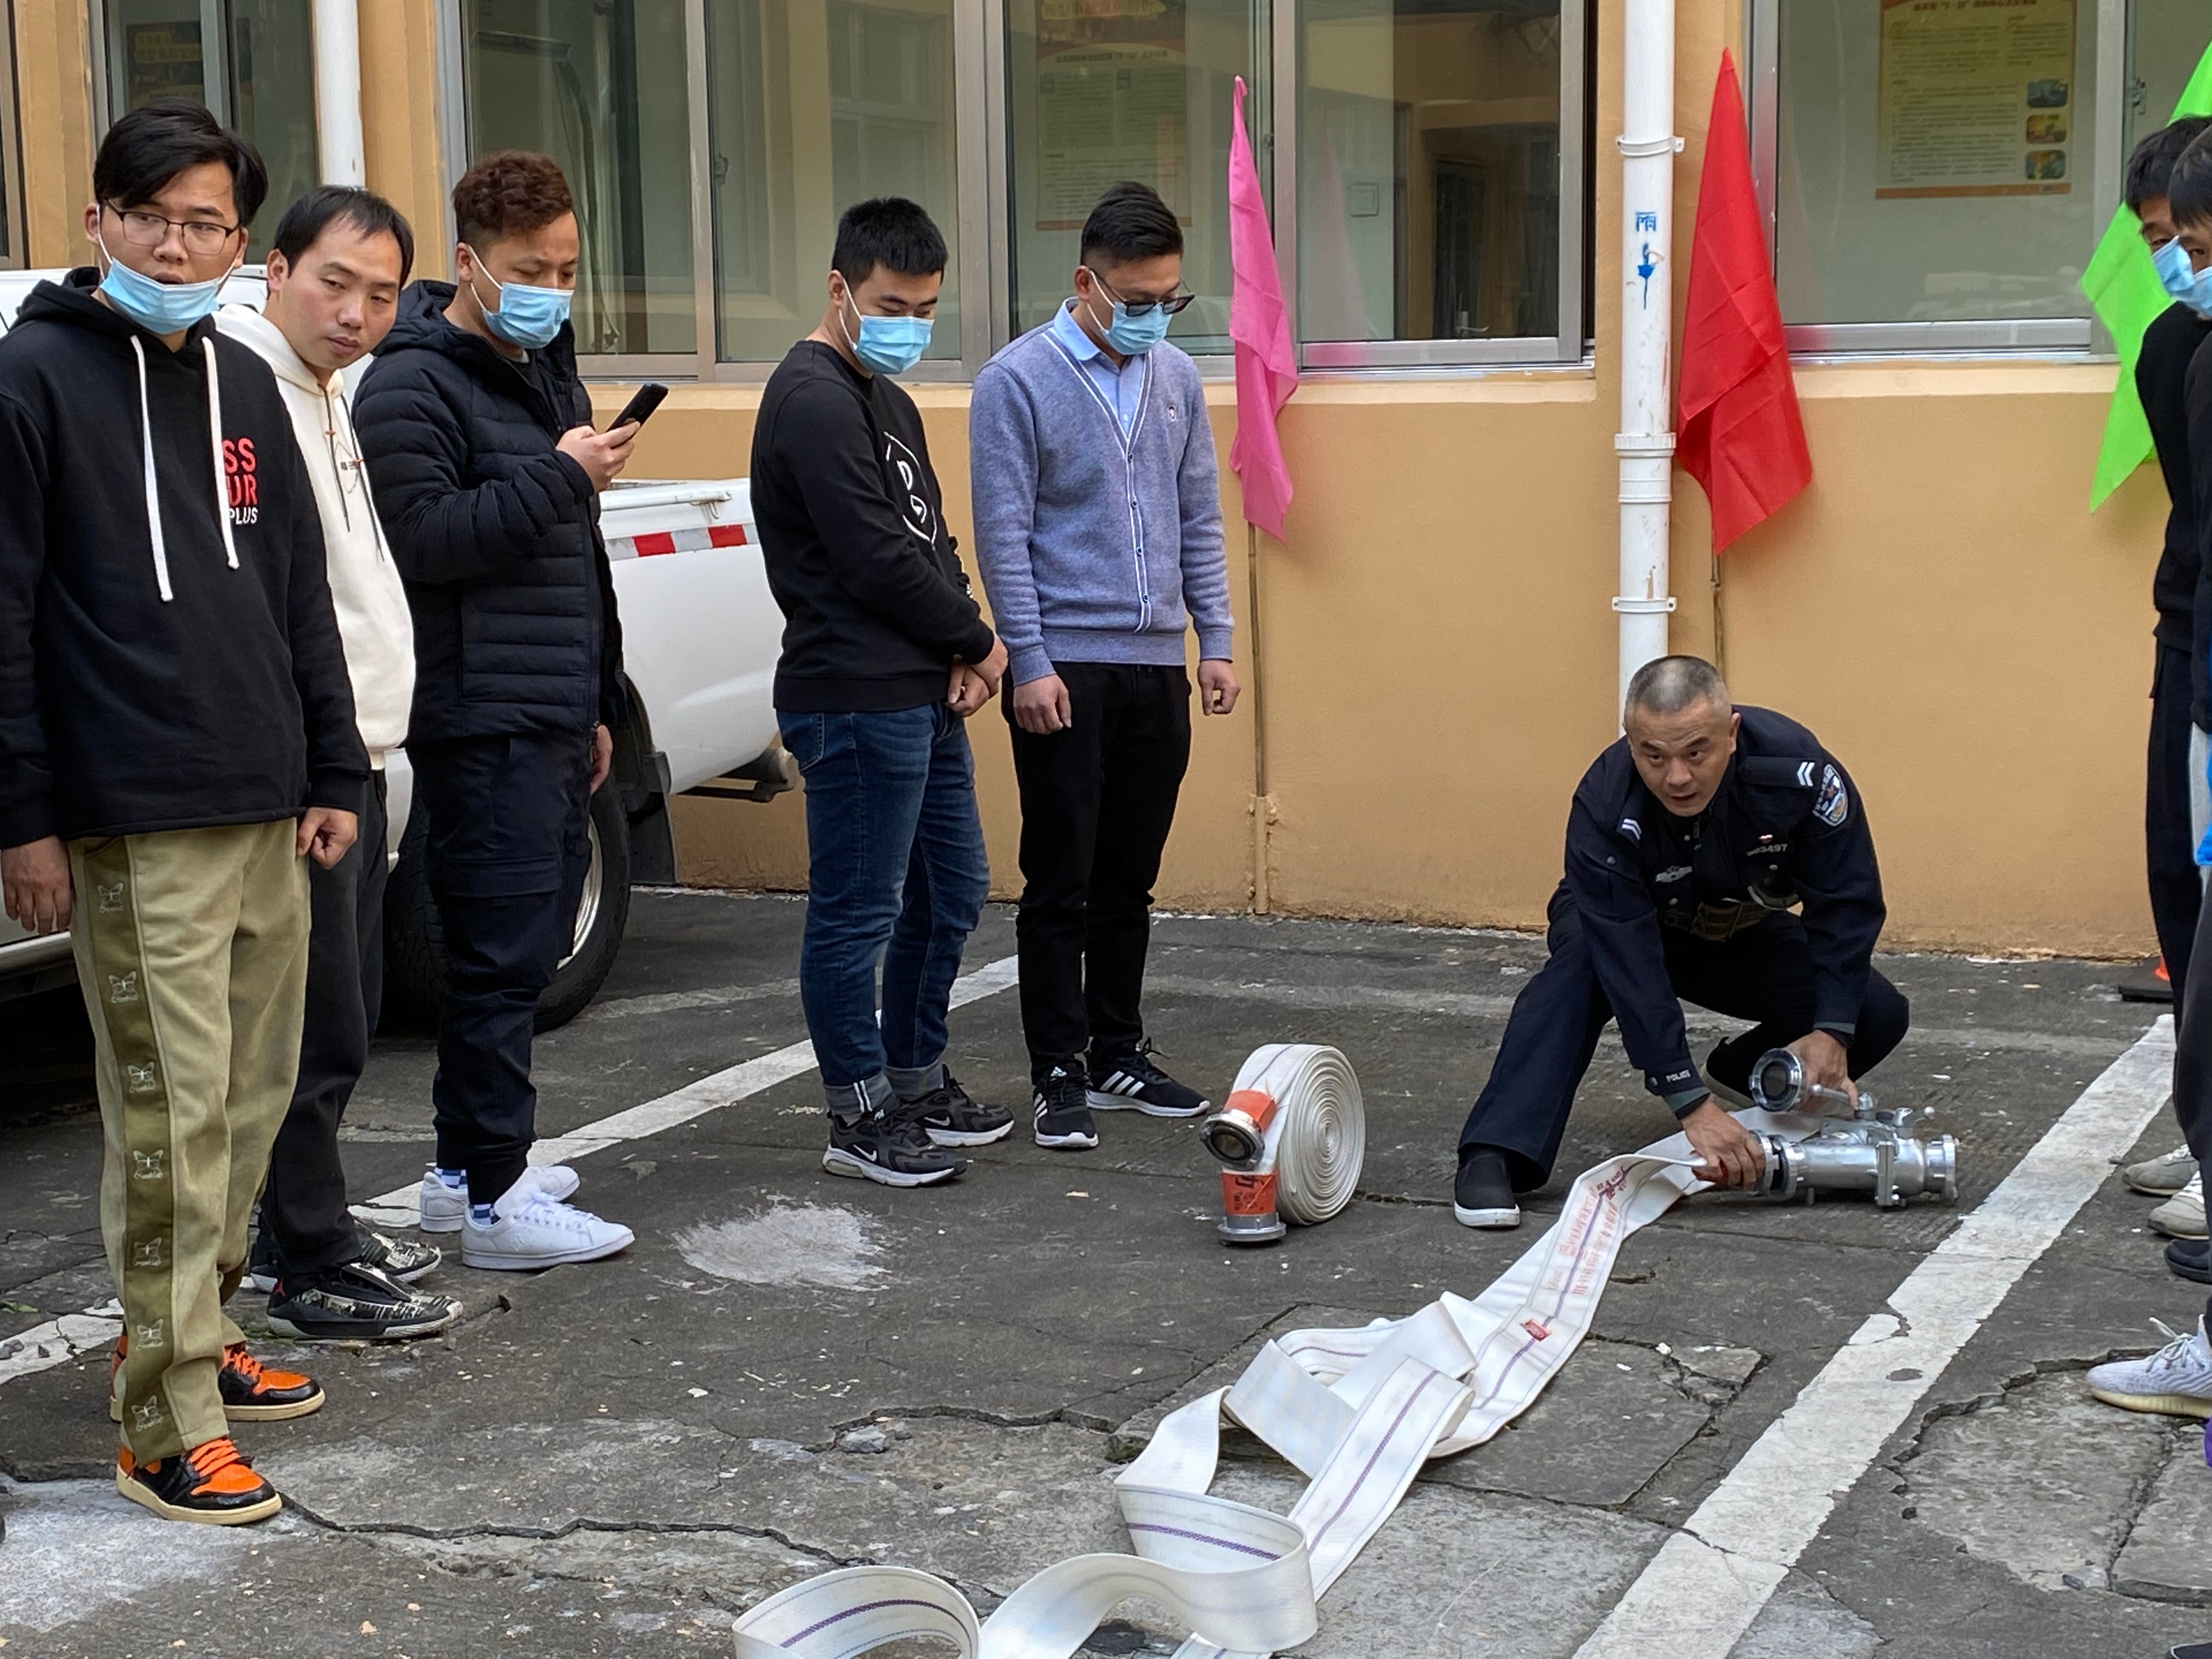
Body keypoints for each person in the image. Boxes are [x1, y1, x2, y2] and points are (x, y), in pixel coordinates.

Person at [0, 99, 365, 1524]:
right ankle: (165, 1421)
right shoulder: (32, 379)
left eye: (204, 222)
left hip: (262, 801)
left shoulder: (243, 384)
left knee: (251, 1104)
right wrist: (24, 816)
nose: (174, 244)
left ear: (238, 242)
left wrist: (331, 768)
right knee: (172, 1118)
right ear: (97, 220)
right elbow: (3, 615)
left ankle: (197, 1330)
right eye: (148, 216)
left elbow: (296, 592)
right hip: (134, 811)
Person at [354, 151, 635, 1269]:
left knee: (519, 950)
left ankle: (462, 1171)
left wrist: (597, 701)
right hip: (479, 714)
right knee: (498, 956)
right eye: (530, 270)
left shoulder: (540, 366)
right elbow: (423, 538)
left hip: (550, 708)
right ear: (469, 261)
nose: (552, 290)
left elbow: (577, 560)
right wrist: (562, 475)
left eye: (566, 269)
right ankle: (494, 1194)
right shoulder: (410, 382)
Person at [218, 187, 461, 1340]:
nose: (356, 312)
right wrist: (317, 761)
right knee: (308, 1025)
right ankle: (305, 1259)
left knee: (345, 1009)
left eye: (380, 293)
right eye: (334, 282)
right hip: (304, 768)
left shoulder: (326, 390)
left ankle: (298, 1223)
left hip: (355, 754)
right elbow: (268, 603)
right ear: (275, 270)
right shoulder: (241, 391)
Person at [1451, 656, 1911, 1228]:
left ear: (1732, 733)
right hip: (1624, 926)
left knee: (1873, 1010)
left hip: (1736, 928)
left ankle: (1753, 1074)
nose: (1677, 777)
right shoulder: (1604, 801)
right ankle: (1497, 1152)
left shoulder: (1800, 772)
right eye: (1654, 756)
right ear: (1632, 744)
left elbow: (1845, 903)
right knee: (1583, 966)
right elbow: (1630, 961)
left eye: (1697, 753)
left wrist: (1832, 1031)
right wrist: (1687, 1103)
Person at [969, 181, 1238, 1152]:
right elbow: (1003, 534)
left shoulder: (1174, 378)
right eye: (1137, 300)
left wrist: (1215, 639)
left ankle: (1118, 1049)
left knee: (1131, 874)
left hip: (1155, 664)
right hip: (1065, 668)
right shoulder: (1015, 381)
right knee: (1060, 879)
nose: (1155, 316)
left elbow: (1199, 514)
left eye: (1171, 299)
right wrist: (1029, 662)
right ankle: (1058, 1068)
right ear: (1085, 284)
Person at [750, 196, 1013, 1188]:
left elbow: (930, 541)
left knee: (951, 891)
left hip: (920, 693)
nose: (910, 324)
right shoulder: (812, 398)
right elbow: (871, 560)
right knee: (858, 912)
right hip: (853, 696)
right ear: (841, 289)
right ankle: (856, 1114)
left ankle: (916, 1078)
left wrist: (960, 643)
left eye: (926, 307)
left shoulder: (886, 400)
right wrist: (980, 643)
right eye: (892, 305)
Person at [2120, 119, 2212, 1235]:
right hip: (2188, 637)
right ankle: (2201, 1124)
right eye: (2159, 242)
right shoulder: (2170, 349)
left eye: (2184, 239)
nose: (2174, 262)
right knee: (2178, 881)